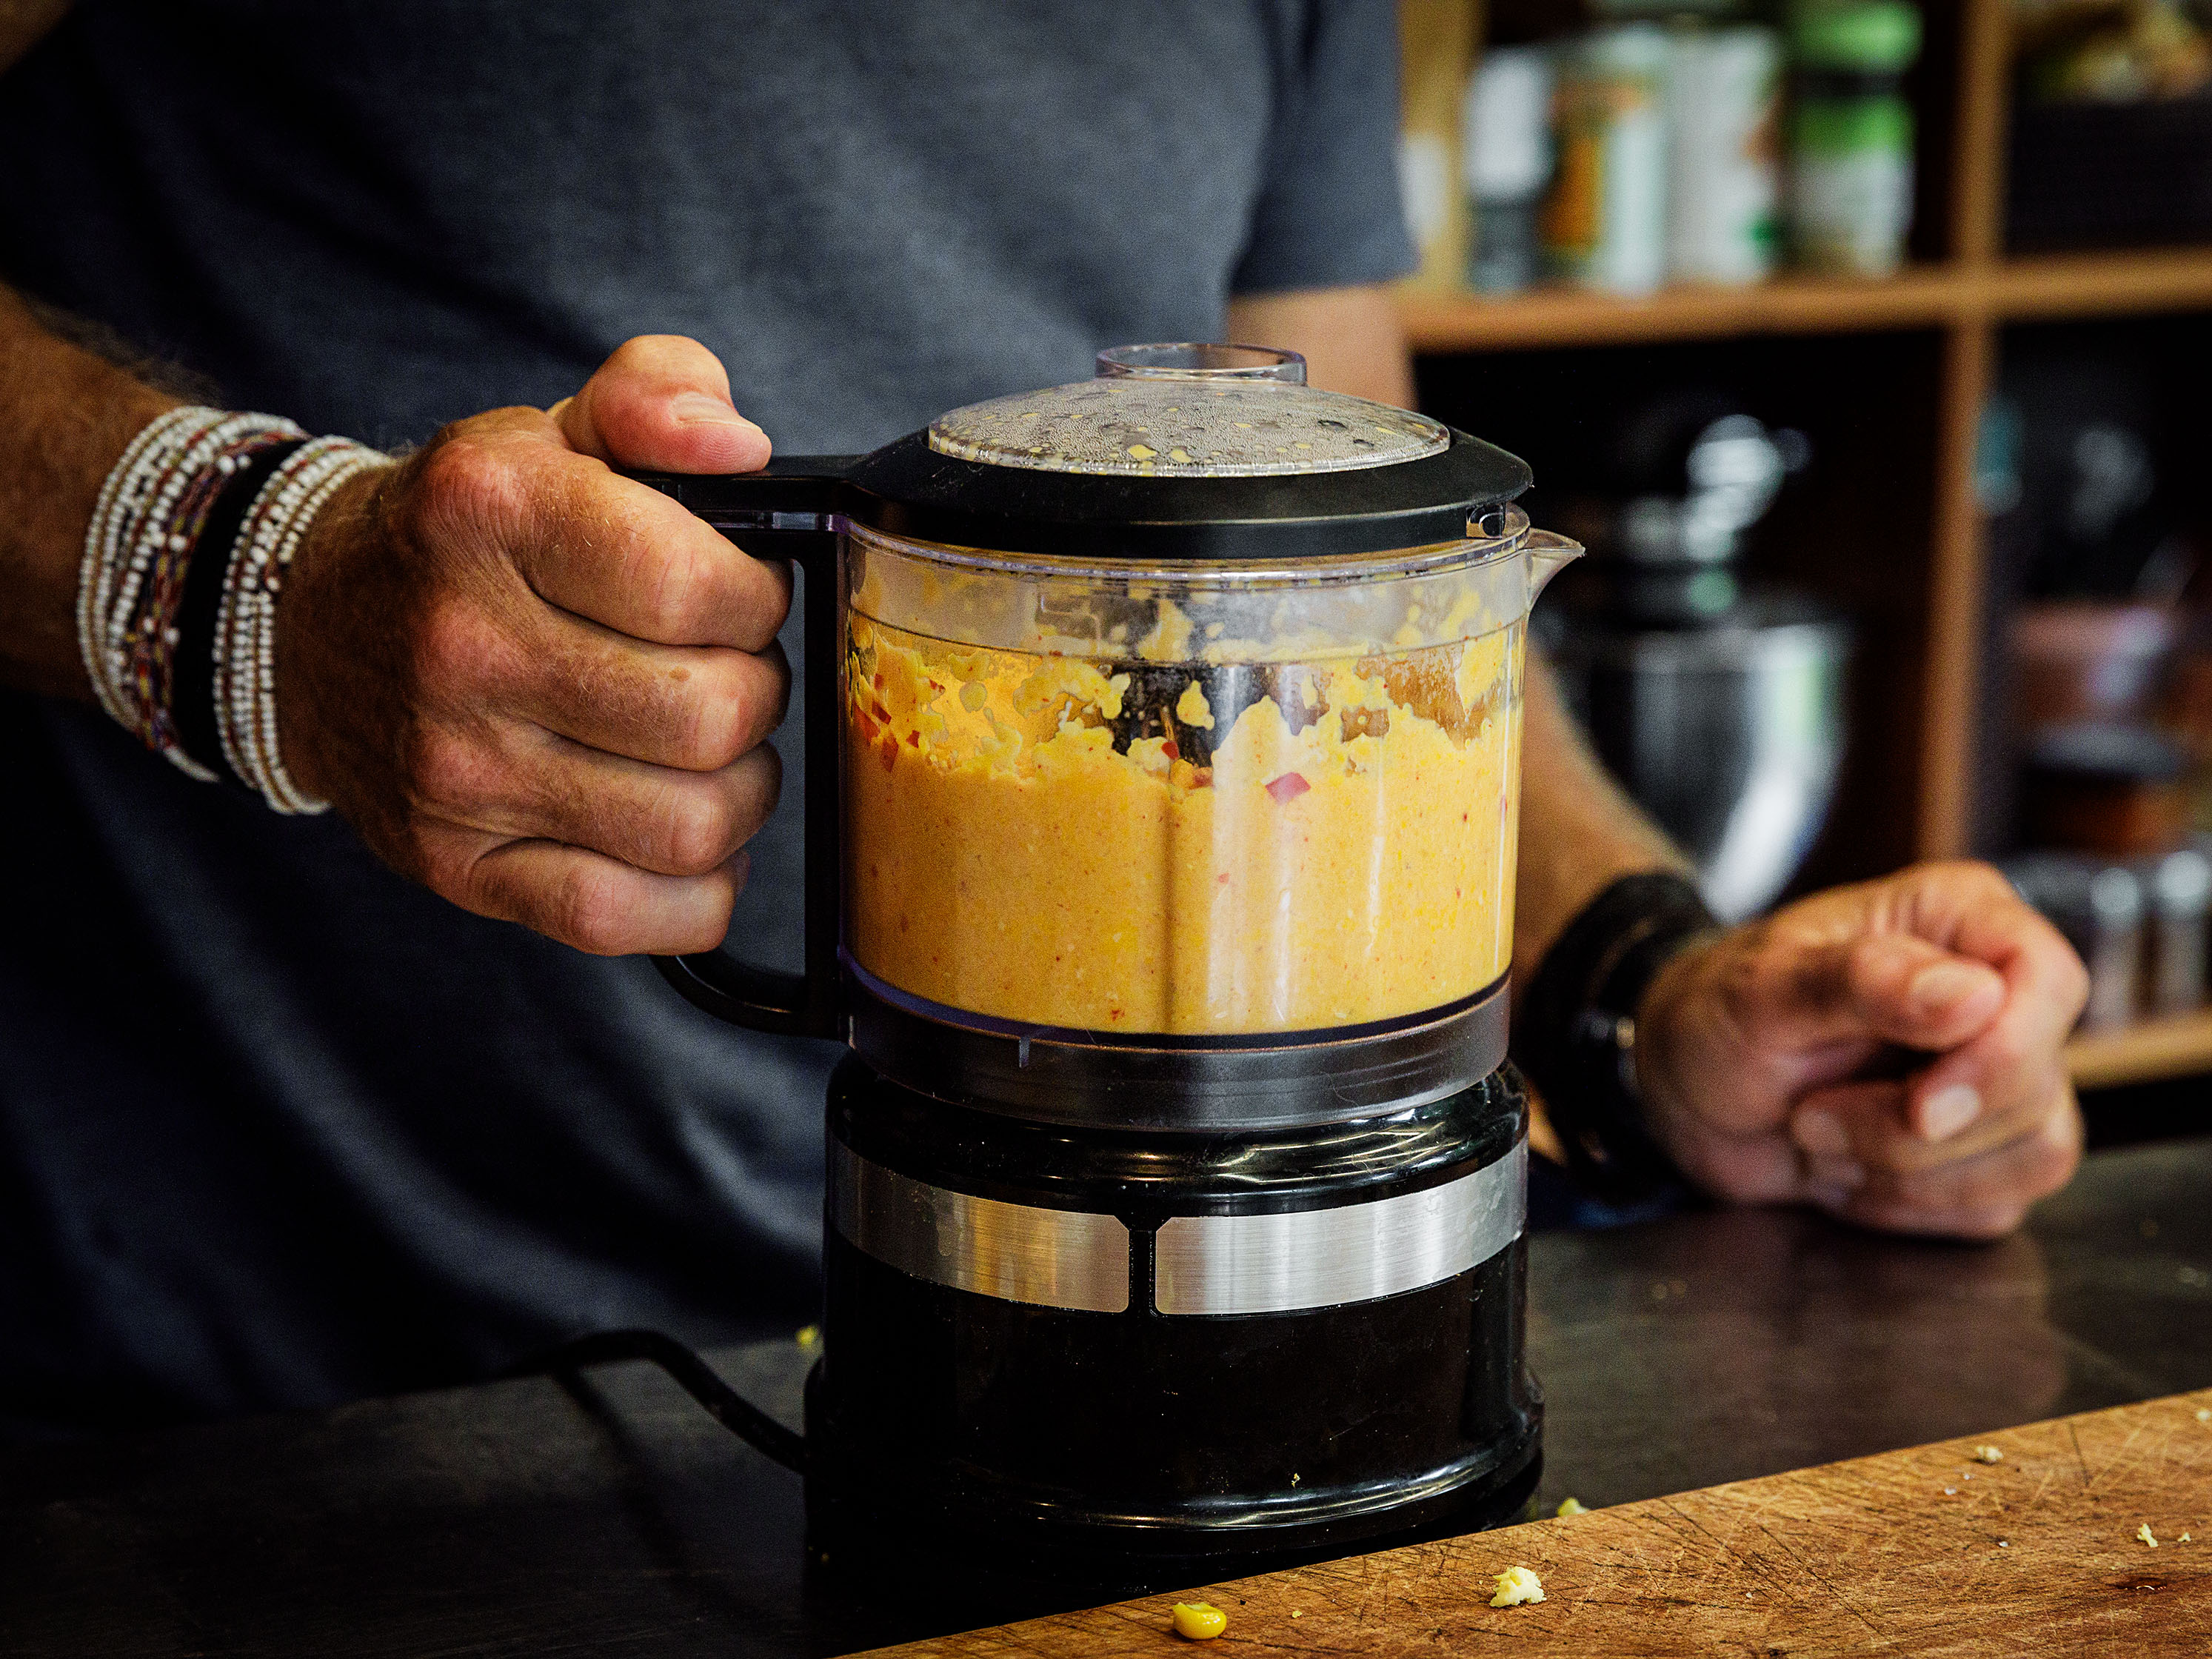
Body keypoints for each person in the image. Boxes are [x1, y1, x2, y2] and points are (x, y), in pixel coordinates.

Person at [0, 1, 2085, 1439]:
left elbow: (1363, 605)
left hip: (1065, 1377)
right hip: (271, 1416)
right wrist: (238, 573)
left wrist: (1641, 997)